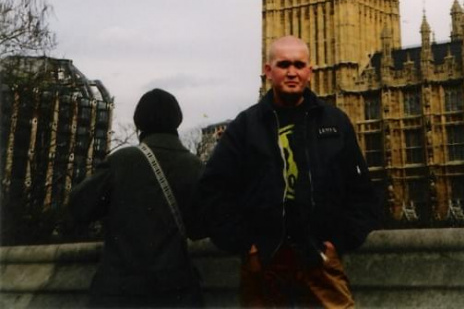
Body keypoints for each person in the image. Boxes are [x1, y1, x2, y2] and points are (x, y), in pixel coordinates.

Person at [197, 35, 378, 308]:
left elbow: (362, 191)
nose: (292, 72)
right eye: (283, 65)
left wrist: (339, 241)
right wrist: (246, 244)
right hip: (265, 264)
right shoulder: (246, 126)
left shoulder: (334, 122)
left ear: (309, 72)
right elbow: (213, 191)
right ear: (268, 71)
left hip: (320, 261)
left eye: (298, 64)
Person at [69, 88, 207, 308]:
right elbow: (200, 229)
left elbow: (78, 207)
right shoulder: (195, 167)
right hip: (176, 294)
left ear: (138, 124)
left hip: (119, 293)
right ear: (176, 122)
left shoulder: (121, 161)